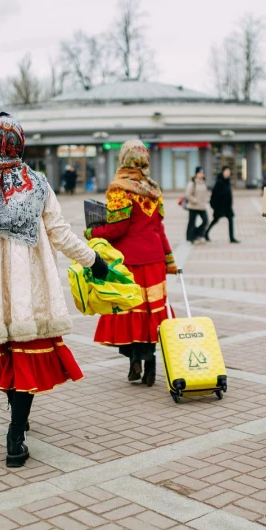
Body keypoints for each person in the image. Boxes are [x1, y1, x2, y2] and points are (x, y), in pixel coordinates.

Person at [0, 113, 109, 468]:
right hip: (29, 288)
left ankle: (14, 410)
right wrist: (93, 260)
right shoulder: (39, 186)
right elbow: (60, 234)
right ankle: (16, 437)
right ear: (21, 145)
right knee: (27, 356)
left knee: (1, 352)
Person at [87, 139, 177, 387]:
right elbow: (159, 229)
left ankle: (134, 362)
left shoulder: (120, 188)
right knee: (150, 312)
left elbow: (118, 228)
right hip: (155, 260)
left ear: (123, 159)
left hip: (130, 262)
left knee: (130, 310)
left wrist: (92, 234)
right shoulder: (153, 189)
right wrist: (169, 260)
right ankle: (150, 365)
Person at [205, 166, 239, 243]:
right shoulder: (219, 182)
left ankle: (232, 237)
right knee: (215, 220)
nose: (228, 173)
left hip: (227, 206)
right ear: (223, 172)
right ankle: (206, 233)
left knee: (230, 220)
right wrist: (214, 205)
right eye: (226, 171)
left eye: (229, 172)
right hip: (220, 206)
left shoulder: (228, 181)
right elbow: (214, 195)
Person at [185, 167, 209, 244]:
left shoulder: (203, 182)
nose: (201, 175)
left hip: (202, 206)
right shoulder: (192, 183)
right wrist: (195, 200)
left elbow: (205, 193)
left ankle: (198, 234)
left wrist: (206, 200)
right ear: (196, 174)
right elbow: (188, 194)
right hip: (193, 206)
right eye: (199, 173)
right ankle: (191, 238)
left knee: (205, 220)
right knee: (192, 222)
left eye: (202, 173)